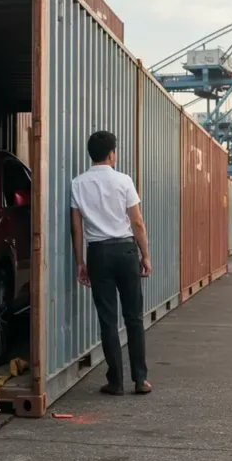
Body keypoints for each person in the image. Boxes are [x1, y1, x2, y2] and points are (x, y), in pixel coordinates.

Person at [69, 130, 153, 396]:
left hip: (98, 254)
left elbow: (76, 226)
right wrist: (145, 255)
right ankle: (140, 380)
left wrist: (80, 262)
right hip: (125, 251)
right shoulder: (124, 180)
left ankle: (115, 381)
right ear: (112, 153)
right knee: (134, 318)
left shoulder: (78, 183)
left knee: (108, 319)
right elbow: (137, 222)